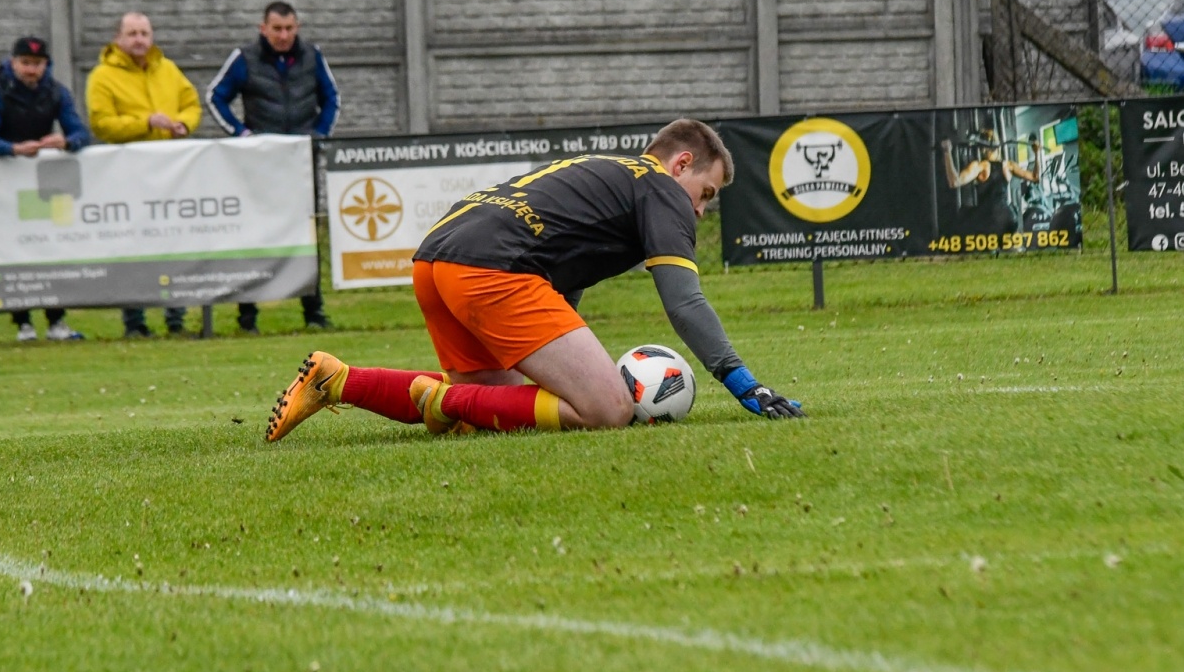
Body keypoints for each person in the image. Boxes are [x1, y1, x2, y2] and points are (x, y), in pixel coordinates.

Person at [263, 119, 802, 443]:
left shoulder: (607, 169)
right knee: (607, 410)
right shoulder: (660, 188)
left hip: (436, 260)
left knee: (507, 409)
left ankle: (337, 381)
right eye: (706, 194)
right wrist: (743, 383)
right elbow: (684, 302)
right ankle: (444, 399)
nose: (702, 212)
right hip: (490, 267)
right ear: (682, 164)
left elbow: (564, 275)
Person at [205, 0, 339, 333]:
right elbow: (215, 97)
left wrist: (319, 134)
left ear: (298, 27)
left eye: (289, 28)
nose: (283, 35)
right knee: (254, 236)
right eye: (276, 29)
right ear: (262, 28)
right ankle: (247, 316)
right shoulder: (244, 57)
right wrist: (242, 134)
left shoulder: (313, 56)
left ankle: (314, 312)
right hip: (259, 164)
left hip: (300, 161)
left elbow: (332, 98)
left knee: (306, 235)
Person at [85, 11, 202, 338]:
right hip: (128, 175)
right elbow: (101, 123)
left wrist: (184, 124)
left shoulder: (168, 69)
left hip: (171, 172)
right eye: (132, 33)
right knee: (133, 246)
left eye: (144, 33)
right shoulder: (102, 76)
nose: (139, 39)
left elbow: (191, 103)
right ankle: (135, 321)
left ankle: (175, 318)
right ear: (118, 38)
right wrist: (146, 123)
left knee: (174, 243)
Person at [0, 35, 93, 342]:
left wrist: (67, 142)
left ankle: (57, 321)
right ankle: (23, 322)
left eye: (37, 64)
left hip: (46, 183)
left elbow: (81, 131)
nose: (31, 70)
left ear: (46, 65)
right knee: (15, 247)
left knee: (51, 245)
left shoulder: (56, 91)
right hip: (8, 181)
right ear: (13, 63)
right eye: (25, 63)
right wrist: (13, 149)